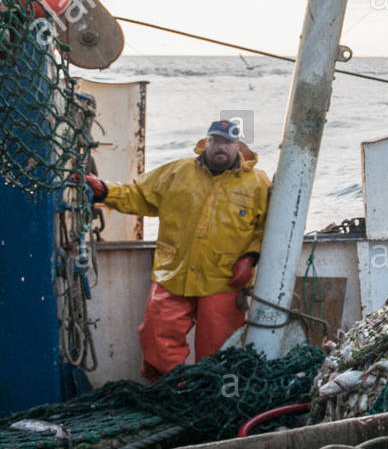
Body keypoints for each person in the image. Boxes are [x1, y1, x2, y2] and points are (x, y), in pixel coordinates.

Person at [83, 120, 271, 381]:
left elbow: (268, 226)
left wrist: (250, 257)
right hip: (173, 273)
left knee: (220, 350)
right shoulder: (178, 172)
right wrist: (104, 190)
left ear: (238, 146)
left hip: (224, 279)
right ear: (205, 143)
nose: (221, 147)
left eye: (227, 142)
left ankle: (211, 396)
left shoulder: (258, 183)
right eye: (215, 141)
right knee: (156, 337)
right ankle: (174, 392)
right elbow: (138, 194)